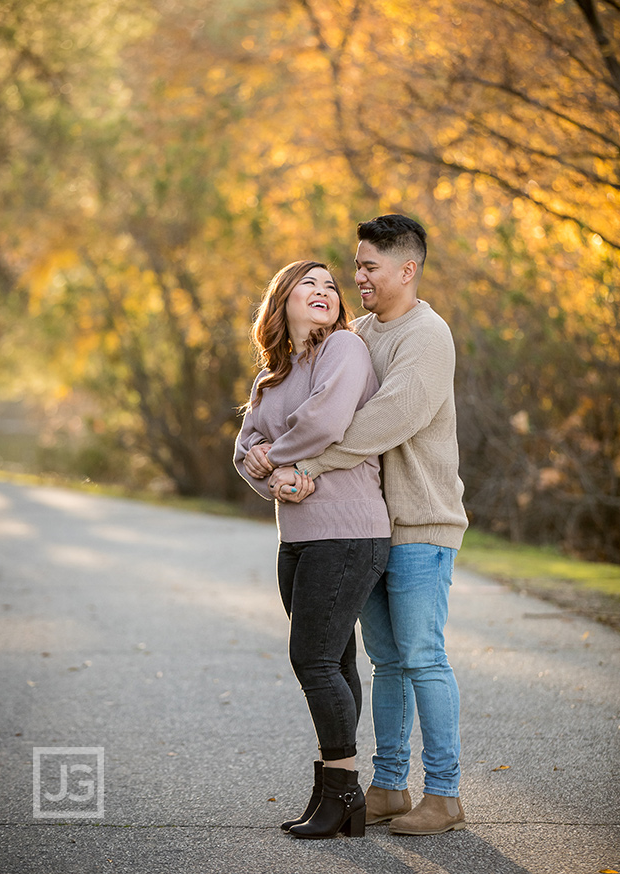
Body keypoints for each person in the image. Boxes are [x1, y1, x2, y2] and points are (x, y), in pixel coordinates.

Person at [245, 214, 468, 836]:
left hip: (422, 519)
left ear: (407, 269)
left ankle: (445, 793)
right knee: (386, 660)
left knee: (423, 656)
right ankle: (390, 785)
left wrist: (304, 463)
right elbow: (323, 404)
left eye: (370, 266)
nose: (358, 276)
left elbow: (382, 423)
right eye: (358, 264)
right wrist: (279, 464)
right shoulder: (360, 332)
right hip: (372, 523)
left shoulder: (427, 335)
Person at [233, 259, 391, 840]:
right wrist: (271, 474)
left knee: (314, 662)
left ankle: (343, 789)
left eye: (332, 285)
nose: (325, 291)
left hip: (348, 532)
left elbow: (323, 422)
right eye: (310, 284)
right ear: (283, 300)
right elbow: (244, 448)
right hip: (297, 539)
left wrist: (274, 457)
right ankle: (337, 794)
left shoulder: (344, 350)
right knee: (336, 661)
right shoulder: (271, 377)